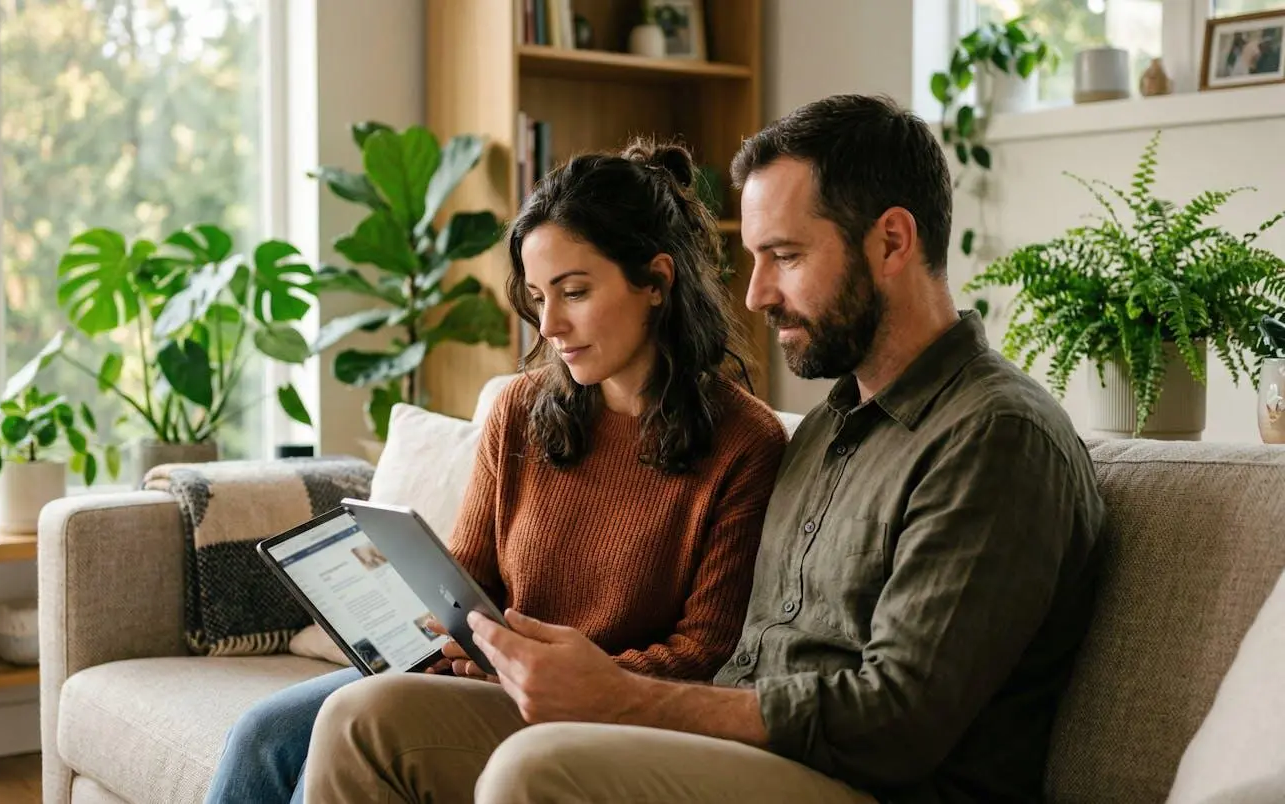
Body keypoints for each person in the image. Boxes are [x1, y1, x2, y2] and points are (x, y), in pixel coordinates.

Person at [300, 94, 1106, 804]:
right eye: (754, 258)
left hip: (867, 784)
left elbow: (894, 725)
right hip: (737, 743)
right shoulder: (834, 425)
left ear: (892, 241)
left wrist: (620, 695)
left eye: (785, 257)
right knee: (367, 718)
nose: (756, 293)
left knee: (533, 772)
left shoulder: (993, 437)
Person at [201, 140, 788, 804]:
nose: (551, 324)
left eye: (574, 292)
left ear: (655, 281)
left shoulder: (744, 444)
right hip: (482, 677)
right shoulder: (520, 409)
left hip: (588, 708)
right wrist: (425, 624)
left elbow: (703, 655)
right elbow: (466, 576)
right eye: (537, 297)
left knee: (335, 746)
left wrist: (541, 672)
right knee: (260, 733)